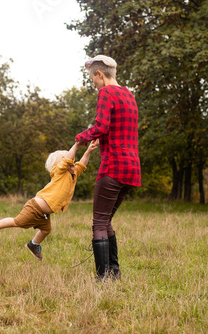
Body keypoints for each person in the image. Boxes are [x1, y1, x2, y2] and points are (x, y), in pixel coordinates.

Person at [75, 55, 141, 281]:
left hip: (113, 167)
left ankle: (103, 277)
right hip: (132, 169)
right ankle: (114, 272)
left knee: (100, 223)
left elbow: (101, 126)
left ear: (100, 74)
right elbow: (113, 128)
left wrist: (80, 138)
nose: (93, 83)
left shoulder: (106, 93)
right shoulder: (128, 94)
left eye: (92, 78)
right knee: (106, 221)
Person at [0, 140, 100, 261]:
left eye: (72, 160)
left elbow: (82, 165)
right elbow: (67, 161)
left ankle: (33, 244)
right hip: (35, 207)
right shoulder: (59, 172)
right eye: (66, 159)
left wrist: (88, 151)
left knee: (46, 230)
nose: (72, 161)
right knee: (19, 222)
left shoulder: (73, 173)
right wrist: (75, 146)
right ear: (57, 165)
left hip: (44, 213)